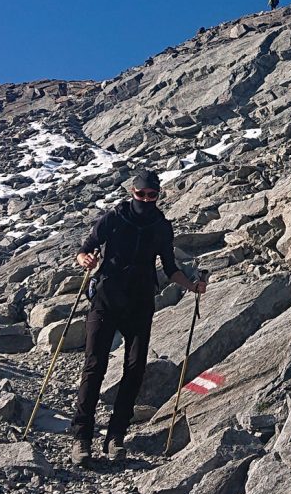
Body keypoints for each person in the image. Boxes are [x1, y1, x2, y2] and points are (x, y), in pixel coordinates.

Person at [71, 170, 204, 465]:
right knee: (94, 366)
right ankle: (82, 438)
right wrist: (85, 260)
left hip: (140, 302)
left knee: (135, 369)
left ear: (158, 195)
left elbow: (170, 268)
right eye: (141, 194)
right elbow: (84, 250)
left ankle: (115, 437)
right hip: (106, 298)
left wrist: (193, 286)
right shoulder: (114, 218)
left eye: (151, 195)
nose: (145, 199)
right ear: (132, 192)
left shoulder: (160, 226)